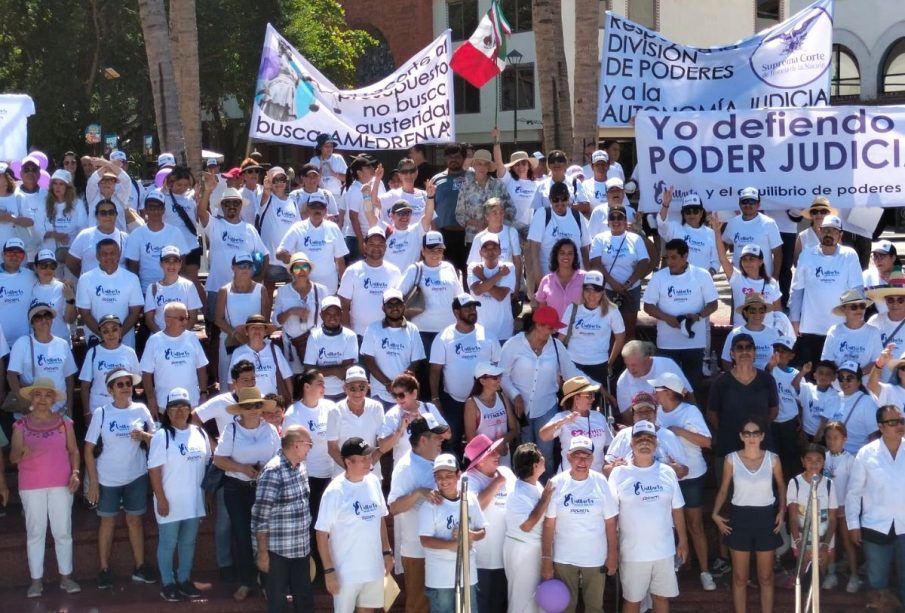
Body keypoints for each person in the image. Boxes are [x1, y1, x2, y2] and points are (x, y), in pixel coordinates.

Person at [83, 369, 157, 590]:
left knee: (135, 521)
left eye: (128, 383)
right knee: (107, 522)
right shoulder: (102, 413)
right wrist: (94, 483)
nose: (126, 387)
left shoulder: (141, 409)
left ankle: (140, 567)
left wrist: (144, 436)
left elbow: (157, 441)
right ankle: (104, 569)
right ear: (110, 390)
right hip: (108, 478)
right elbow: (88, 450)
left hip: (136, 475)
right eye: (120, 384)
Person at [10, 378, 81, 598]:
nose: (42, 399)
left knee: (62, 532)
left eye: (47, 395)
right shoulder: (20, 425)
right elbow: (13, 457)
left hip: (61, 484)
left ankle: (66, 577)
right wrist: (21, 452)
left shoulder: (64, 422)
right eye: (38, 395)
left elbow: (74, 451)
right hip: (31, 486)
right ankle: (36, 581)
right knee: (35, 533)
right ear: (31, 398)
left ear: (53, 399)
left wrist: (76, 473)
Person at [610, 421, 689, 613]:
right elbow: (611, 517)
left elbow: (677, 508)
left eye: (649, 438)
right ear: (631, 444)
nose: (644, 442)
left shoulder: (668, 472)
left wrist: (683, 542)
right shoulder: (618, 474)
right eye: (639, 438)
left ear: (656, 443)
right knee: (632, 601)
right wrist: (613, 549)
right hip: (632, 553)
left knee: (661, 599)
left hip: (664, 550)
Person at [711, 416, 786, 613]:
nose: (751, 437)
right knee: (739, 577)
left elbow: (781, 486)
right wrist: (715, 514)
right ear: (741, 436)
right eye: (747, 433)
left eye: (755, 433)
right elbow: (724, 489)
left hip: (766, 518)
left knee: (766, 576)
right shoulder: (731, 459)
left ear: (762, 436)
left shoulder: (773, 458)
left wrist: (782, 511)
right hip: (740, 518)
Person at [500, 306, 584, 478]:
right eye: (550, 327)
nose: (553, 331)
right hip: (520, 410)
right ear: (538, 324)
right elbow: (502, 375)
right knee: (525, 454)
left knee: (545, 455)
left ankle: (547, 490)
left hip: (547, 406)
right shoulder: (513, 344)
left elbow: (571, 372)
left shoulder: (556, 346)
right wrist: (515, 395)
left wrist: (595, 386)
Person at [213, 387, 281, 601]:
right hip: (237, 489)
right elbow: (218, 460)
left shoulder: (270, 430)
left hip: (264, 489)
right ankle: (246, 581)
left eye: (256, 405)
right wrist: (242, 469)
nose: (253, 409)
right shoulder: (231, 430)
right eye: (247, 406)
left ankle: (267, 582)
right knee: (242, 536)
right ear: (240, 409)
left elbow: (280, 459)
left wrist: (264, 470)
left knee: (265, 536)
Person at [652, 372, 715, 591]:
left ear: (668, 392)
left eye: (657, 390)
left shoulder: (690, 411)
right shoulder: (657, 412)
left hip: (693, 476)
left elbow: (707, 442)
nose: (654, 394)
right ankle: (677, 567)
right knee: (669, 526)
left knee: (695, 524)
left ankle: (705, 571)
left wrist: (678, 430)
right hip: (666, 477)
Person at [541, 436, 618, 613]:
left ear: (592, 459)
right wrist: (546, 559)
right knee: (565, 608)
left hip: (595, 558)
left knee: (595, 608)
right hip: (563, 559)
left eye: (586, 456)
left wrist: (612, 555)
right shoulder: (556, 483)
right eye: (577, 456)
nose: (582, 461)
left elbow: (611, 522)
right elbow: (549, 525)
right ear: (568, 457)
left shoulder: (601, 481)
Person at [316, 437, 393, 613]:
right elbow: (321, 533)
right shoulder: (334, 491)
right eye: (363, 458)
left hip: (373, 567)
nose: (369, 461)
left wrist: (387, 552)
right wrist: (328, 571)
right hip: (346, 573)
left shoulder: (373, 482)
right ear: (348, 462)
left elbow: (380, 518)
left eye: (369, 456)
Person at [148, 388, 210, 602]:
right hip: (170, 501)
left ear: (190, 409)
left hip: (194, 502)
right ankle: (168, 582)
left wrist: (206, 498)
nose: (180, 411)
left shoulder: (200, 433)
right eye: (174, 407)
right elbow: (154, 470)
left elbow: (209, 465)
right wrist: (161, 499)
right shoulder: (161, 436)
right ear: (167, 411)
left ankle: (184, 579)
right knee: (168, 543)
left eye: (184, 407)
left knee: (188, 543)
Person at [845, 405, 905, 608]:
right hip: (875, 525)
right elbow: (854, 492)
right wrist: (853, 524)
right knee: (877, 584)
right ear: (880, 426)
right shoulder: (866, 453)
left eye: (902, 421)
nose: (900, 426)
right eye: (893, 422)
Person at [251, 424, 316, 612]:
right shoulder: (273, 471)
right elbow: (260, 517)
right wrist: (262, 554)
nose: (310, 448)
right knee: (277, 604)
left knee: (304, 601)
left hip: (300, 548)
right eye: (308, 444)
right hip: (276, 551)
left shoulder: (302, 467)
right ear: (296, 445)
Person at [643, 238, 719, 395]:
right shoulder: (659, 277)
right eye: (667, 258)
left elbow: (713, 304)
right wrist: (667, 318)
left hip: (694, 343)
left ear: (685, 256)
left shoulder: (702, 275)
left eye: (674, 257)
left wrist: (698, 316)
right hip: (666, 343)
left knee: (692, 388)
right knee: (667, 389)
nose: (669, 262)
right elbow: (648, 306)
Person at [387, 414, 447, 613]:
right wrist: (419, 492)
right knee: (419, 606)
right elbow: (393, 508)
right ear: (423, 439)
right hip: (417, 551)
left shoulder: (437, 462)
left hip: (440, 547)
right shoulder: (405, 468)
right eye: (437, 437)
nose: (442, 440)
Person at [429, 292, 501, 455]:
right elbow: (435, 371)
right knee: (451, 439)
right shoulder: (443, 338)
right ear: (456, 312)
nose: (472, 310)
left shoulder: (488, 336)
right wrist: (435, 399)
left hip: (483, 402)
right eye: (467, 307)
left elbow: (497, 366)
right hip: (454, 402)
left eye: (474, 307)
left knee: (482, 441)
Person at [790, 214, 863, 367]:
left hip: (840, 327)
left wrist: (856, 319)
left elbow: (857, 291)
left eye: (834, 231)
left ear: (840, 235)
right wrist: (795, 320)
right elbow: (797, 289)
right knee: (811, 374)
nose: (829, 234)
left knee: (838, 373)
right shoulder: (807, 254)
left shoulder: (849, 255)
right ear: (819, 231)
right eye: (826, 230)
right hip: (811, 327)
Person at [419, 453, 486, 611]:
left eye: (449, 475)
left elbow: (482, 530)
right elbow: (425, 540)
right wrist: (454, 543)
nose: (443, 481)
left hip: (468, 575)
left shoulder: (470, 499)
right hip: (440, 579)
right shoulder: (429, 505)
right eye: (439, 476)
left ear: (458, 475)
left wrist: (470, 534)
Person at [282, 369, 338, 557]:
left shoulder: (330, 407)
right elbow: (290, 447)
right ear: (306, 386)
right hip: (309, 476)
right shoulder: (294, 412)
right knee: (314, 521)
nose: (324, 387)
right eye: (319, 383)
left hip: (332, 473)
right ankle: (317, 566)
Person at [197, 182, 269, 320]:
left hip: (244, 290)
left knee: (243, 327)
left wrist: (259, 279)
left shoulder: (250, 229)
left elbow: (265, 255)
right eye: (227, 203)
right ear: (222, 206)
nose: (231, 206)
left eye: (236, 203)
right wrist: (207, 191)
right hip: (217, 287)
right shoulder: (215, 225)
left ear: (241, 206)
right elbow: (201, 213)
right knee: (215, 332)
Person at [707, 333, 779, 468]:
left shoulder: (767, 380)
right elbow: (712, 415)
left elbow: (773, 412)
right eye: (739, 348)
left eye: (749, 347)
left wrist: (757, 430)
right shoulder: (720, 382)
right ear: (732, 354)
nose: (744, 351)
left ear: (755, 352)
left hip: (761, 447)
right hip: (729, 447)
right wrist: (730, 431)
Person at [464, 434, 515, 612]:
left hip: (506, 558)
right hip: (480, 562)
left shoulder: (507, 472)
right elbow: (473, 508)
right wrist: (497, 483)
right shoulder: (467, 479)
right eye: (491, 453)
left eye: (495, 451)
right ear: (478, 462)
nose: (497, 455)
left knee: (501, 606)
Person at [503, 443, 553, 613]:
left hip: (534, 550)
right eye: (540, 455)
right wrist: (545, 499)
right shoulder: (516, 493)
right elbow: (527, 525)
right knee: (521, 602)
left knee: (536, 603)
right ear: (534, 465)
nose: (544, 457)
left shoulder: (535, 485)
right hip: (521, 550)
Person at [589, 202, 649, 339]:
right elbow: (596, 263)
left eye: (620, 217)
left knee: (629, 332)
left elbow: (644, 263)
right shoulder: (599, 239)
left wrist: (628, 283)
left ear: (625, 220)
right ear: (608, 221)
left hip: (631, 290)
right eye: (612, 218)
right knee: (606, 332)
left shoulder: (636, 239)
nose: (616, 221)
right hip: (606, 290)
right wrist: (613, 284)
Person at [140, 301, 209, 419]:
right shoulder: (154, 341)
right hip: (164, 405)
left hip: (192, 403)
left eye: (187, 318)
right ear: (167, 320)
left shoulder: (192, 338)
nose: (185, 322)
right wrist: (151, 400)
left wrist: (203, 393)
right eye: (181, 318)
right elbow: (146, 373)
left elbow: (201, 368)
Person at [8, 302, 77, 416]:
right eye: (38, 317)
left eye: (47, 315)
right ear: (31, 323)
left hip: (59, 411)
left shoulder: (63, 344)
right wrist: (23, 402)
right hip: (32, 412)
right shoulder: (22, 343)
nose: (44, 319)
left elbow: (69, 378)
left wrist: (69, 407)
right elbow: (11, 375)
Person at [558, 269, 625, 386]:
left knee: (595, 400)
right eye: (588, 290)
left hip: (598, 364)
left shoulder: (612, 311)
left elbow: (620, 337)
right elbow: (561, 337)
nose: (591, 295)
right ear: (583, 290)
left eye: (596, 290)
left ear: (603, 292)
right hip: (573, 363)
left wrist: (610, 362)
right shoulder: (572, 308)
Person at [214, 253, 271, 389]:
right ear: (233, 268)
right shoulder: (224, 291)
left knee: (256, 380)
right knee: (228, 384)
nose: (245, 269)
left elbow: (265, 319)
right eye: (241, 266)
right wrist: (236, 334)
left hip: (255, 342)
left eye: (248, 266)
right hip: (229, 342)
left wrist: (252, 338)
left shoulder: (261, 290)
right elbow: (218, 319)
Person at [75, 237, 144, 348]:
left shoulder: (132, 278)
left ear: (119, 254)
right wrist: (105, 336)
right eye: (104, 254)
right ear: (97, 256)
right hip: (97, 340)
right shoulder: (85, 279)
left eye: (113, 253)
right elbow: (85, 314)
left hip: (125, 341)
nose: (109, 257)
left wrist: (118, 336)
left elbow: (134, 313)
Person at [276, 191, 348, 295]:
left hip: (329, 289)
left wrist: (344, 289)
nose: (317, 210)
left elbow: (340, 261)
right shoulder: (297, 228)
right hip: (304, 289)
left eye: (321, 207)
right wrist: (293, 261)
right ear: (308, 209)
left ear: (325, 210)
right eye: (314, 207)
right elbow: (279, 253)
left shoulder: (333, 228)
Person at [604, 392, 689, 480]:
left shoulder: (668, 436)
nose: (644, 414)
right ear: (633, 415)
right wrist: (614, 468)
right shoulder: (623, 435)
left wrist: (672, 468)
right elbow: (605, 469)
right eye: (639, 411)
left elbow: (685, 471)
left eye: (648, 410)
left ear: (655, 413)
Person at [786, 444, 837, 586]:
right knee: (802, 578)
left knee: (818, 578)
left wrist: (825, 546)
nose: (814, 464)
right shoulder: (794, 483)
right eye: (809, 460)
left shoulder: (829, 484)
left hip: (824, 541)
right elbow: (793, 517)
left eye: (818, 460)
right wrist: (800, 544)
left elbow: (832, 519)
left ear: (823, 462)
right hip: (801, 539)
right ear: (802, 461)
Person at [528, 181, 591, 295]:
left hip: (576, 282)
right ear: (550, 199)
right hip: (550, 282)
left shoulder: (577, 216)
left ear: (569, 199)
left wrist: (588, 281)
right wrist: (540, 285)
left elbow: (585, 250)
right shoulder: (542, 214)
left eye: (563, 199)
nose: (560, 203)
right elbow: (534, 253)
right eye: (555, 200)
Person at [540, 376, 612, 474]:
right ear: (576, 398)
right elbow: (543, 435)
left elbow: (609, 445)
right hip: (569, 479)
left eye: (593, 395)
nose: (593, 399)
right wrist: (562, 422)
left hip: (595, 479)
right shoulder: (562, 417)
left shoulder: (599, 417)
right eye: (589, 396)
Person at [338, 226, 402, 336]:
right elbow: (343, 306)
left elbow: (399, 306)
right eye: (372, 244)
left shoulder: (395, 272)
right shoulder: (352, 271)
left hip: (386, 334)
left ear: (386, 247)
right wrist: (348, 335)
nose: (376, 248)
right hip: (359, 334)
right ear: (365, 246)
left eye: (380, 244)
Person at [125, 189, 192, 294]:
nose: (155, 211)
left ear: (163, 210)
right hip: (145, 290)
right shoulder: (136, 234)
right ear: (146, 210)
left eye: (158, 207)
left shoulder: (175, 232)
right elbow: (133, 267)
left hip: (173, 289)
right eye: (151, 207)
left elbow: (182, 264)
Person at [271, 251, 328, 371]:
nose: (302, 271)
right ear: (291, 271)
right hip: (293, 346)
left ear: (309, 270)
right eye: (297, 267)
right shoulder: (282, 292)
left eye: (305, 267)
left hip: (317, 344)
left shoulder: (322, 290)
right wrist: (291, 312)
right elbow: (276, 321)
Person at [378, 373, 451, 465]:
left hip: (431, 467)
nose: (398, 399)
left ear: (414, 393)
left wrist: (427, 419)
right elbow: (383, 448)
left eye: (401, 395)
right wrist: (399, 430)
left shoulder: (429, 408)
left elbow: (448, 435)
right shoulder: (392, 415)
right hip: (406, 471)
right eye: (394, 395)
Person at [822, 421, 860, 593]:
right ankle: (831, 574)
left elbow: (855, 487)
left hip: (844, 508)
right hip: (828, 509)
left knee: (847, 541)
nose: (832, 441)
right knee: (829, 542)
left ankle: (854, 576)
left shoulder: (850, 460)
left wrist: (848, 508)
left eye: (836, 438)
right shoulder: (823, 457)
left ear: (844, 439)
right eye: (829, 438)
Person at [79, 314, 139, 420]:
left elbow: (136, 381)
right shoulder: (93, 352)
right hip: (98, 406)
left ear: (120, 331)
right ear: (100, 334)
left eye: (114, 329)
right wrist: (87, 413)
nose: (110, 334)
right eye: (105, 331)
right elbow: (84, 386)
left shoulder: (129, 352)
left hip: (124, 406)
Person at [327, 366, 385, 477]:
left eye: (362, 388)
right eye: (352, 388)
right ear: (344, 388)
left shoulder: (377, 408)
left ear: (368, 387)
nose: (357, 392)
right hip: (343, 476)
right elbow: (332, 449)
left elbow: (381, 446)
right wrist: (352, 470)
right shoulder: (334, 411)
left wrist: (367, 467)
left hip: (372, 475)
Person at [813, 361, 879, 454]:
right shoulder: (834, 398)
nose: (844, 382)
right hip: (832, 455)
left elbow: (874, 436)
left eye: (850, 378)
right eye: (841, 378)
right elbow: (822, 426)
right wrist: (814, 446)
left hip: (855, 457)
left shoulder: (868, 402)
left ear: (859, 382)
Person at [615, 340, 692, 418]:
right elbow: (626, 416)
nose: (631, 369)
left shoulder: (667, 365)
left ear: (647, 360)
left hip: (676, 417)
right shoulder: (623, 381)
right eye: (627, 365)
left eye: (634, 365)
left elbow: (688, 395)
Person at [455, 148, 513, 250]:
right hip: (472, 238)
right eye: (479, 164)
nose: (482, 167)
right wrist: (475, 223)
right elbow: (459, 214)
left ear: (488, 167)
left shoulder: (498, 185)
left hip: (496, 237)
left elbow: (511, 209)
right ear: (474, 165)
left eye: (485, 164)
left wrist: (496, 220)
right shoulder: (465, 187)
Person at [302, 295, 358, 401]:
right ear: (321, 315)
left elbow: (346, 370)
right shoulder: (314, 336)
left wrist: (322, 370)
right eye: (328, 313)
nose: (332, 317)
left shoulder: (350, 336)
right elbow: (309, 369)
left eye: (336, 313)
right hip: (320, 393)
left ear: (341, 314)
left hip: (344, 392)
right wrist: (335, 370)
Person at [256, 167, 302, 292]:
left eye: (282, 179)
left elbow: (298, 227)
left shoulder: (292, 202)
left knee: (293, 291)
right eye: (275, 180)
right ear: (270, 182)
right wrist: (266, 188)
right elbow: (264, 196)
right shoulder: (266, 197)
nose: (279, 183)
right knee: (268, 291)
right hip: (271, 258)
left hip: (289, 258)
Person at [463, 362, 518, 465]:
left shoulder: (502, 397)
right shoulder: (472, 403)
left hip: (504, 457)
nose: (499, 380)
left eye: (499, 376)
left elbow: (514, 429)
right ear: (482, 381)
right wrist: (494, 447)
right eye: (494, 377)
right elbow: (471, 439)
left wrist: (501, 442)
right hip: (483, 460)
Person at [720, 187, 783, 277]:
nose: (748, 205)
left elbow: (778, 254)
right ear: (739, 203)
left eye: (752, 202)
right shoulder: (732, 223)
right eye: (744, 201)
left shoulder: (769, 223)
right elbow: (724, 245)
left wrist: (775, 278)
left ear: (758, 204)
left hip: (763, 280)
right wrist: (727, 267)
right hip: (739, 280)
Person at [229, 314, 293, 399]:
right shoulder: (238, 353)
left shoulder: (275, 350)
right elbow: (231, 382)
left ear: (265, 332)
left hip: (272, 404)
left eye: (260, 328)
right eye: (253, 328)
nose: (257, 331)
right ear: (247, 332)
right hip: (249, 405)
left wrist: (291, 399)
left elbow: (287, 376)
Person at [467, 232, 517, 341]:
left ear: (499, 250)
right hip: (479, 333)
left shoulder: (509, 267)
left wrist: (482, 277)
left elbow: (500, 296)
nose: (490, 251)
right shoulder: (473, 267)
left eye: (494, 247)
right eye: (486, 248)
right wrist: (499, 275)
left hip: (504, 332)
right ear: (480, 252)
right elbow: (478, 290)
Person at [143, 245, 203, 333]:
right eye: (167, 261)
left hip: (183, 340)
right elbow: (149, 319)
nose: (171, 265)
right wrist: (163, 338)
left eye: (175, 261)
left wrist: (180, 337)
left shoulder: (189, 286)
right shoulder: (152, 288)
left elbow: (193, 317)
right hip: (159, 340)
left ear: (180, 264)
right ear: (161, 264)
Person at [377, 184, 438, 271]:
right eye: (400, 213)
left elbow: (428, 216)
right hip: (390, 280)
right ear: (392, 216)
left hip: (410, 281)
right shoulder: (385, 230)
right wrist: (366, 195)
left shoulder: (416, 231)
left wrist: (430, 197)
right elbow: (370, 215)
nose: (404, 217)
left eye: (407, 213)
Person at [41, 168, 86, 283]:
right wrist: (55, 235)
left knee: (70, 288)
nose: (57, 187)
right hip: (50, 255)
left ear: (68, 187)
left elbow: (83, 230)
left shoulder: (78, 204)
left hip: (71, 255)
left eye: (61, 184)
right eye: (55, 183)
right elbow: (38, 229)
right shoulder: (45, 203)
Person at [821, 289, 883, 373]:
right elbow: (827, 361)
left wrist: (858, 375)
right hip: (838, 383)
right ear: (844, 309)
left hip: (864, 384)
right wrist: (843, 377)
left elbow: (877, 361)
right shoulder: (834, 331)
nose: (859, 310)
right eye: (854, 307)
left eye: (862, 306)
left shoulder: (874, 332)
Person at [657, 190, 719, 273]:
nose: (692, 215)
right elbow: (662, 225)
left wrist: (709, 274)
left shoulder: (711, 233)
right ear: (683, 214)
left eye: (695, 211)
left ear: (701, 213)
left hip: (701, 282)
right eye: (688, 211)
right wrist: (665, 205)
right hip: (678, 280)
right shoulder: (675, 228)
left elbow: (716, 261)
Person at [431, 144, 469, 273]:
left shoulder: (472, 177)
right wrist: (434, 232)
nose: (453, 159)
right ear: (445, 159)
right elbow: (431, 208)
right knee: (447, 272)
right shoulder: (436, 180)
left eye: (457, 156)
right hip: (444, 234)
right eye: (450, 157)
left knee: (468, 272)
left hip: (467, 235)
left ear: (464, 158)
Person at [66, 199, 128, 277]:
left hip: (118, 286)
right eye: (103, 213)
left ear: (116, 215)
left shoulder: (125, 238)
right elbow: (71, 262)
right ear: (97, 216)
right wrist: (86, 279)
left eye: (111, 212)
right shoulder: (85, 235)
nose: (108, 216)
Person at [720, 293, 781, 371]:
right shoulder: (735, 334)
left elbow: (780, 360)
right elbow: (726, 361)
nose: (757, 314)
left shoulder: (774, 333)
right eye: (753, 311)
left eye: (761, 310)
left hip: (769, 380)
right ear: (745, 313)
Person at [0, 237, 37, 347]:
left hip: (25, 342)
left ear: (24, 257)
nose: (14, 257)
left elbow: (48, 282)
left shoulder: (31, 276)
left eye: (19, 254)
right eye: (10, 253)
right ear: (2, 254)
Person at [492, 147, 539, 233]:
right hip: (511, 228)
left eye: (524, 163)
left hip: (530, 229)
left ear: (529, 166)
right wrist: (496, 141)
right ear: (512, 167)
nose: (521, 166)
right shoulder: (508, 180)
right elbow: (498, 162)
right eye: (517, 164)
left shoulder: (537, 184)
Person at [535, 238, 585, 318]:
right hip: (553, 329)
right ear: (556, 255)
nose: (566, 256)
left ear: (574, 256)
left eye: (570, 253)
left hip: (579, 329)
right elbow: (542, 310)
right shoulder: (546, 280)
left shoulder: (585, 278)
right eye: (562, 253)